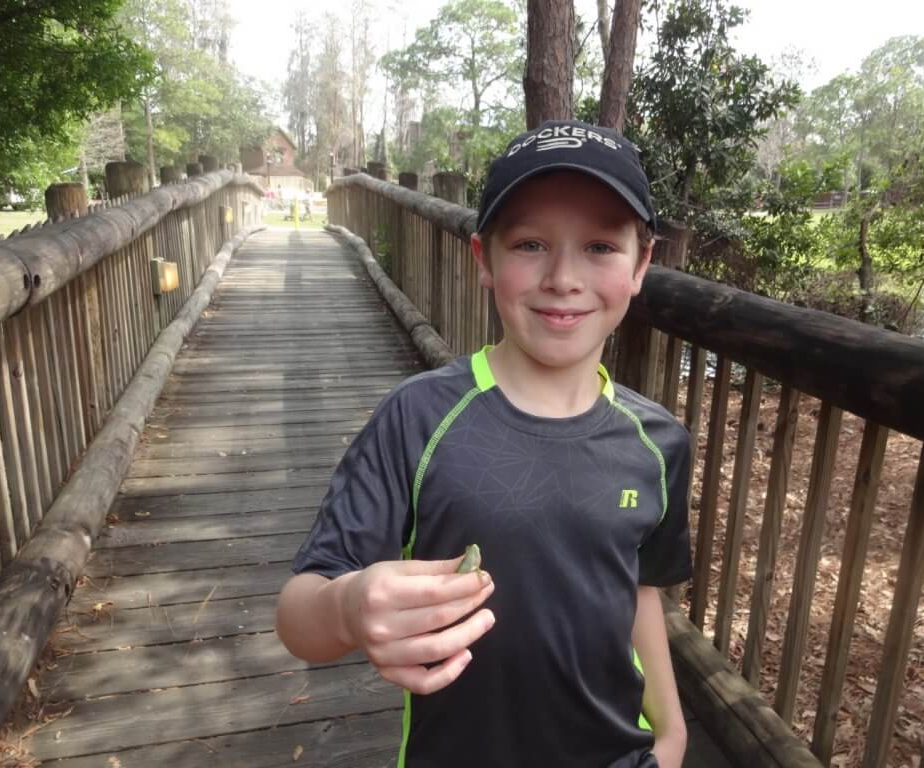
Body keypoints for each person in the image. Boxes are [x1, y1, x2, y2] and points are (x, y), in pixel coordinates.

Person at [277, 119, 693, 768]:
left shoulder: (658, 440)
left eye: (600, 247)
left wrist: (671, 737)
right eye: (530, 243)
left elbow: (640, 589)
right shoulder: (418, 417)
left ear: (641, 263)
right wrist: (348, 607)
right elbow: (298, 618)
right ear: (484, 261)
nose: (562, 277)